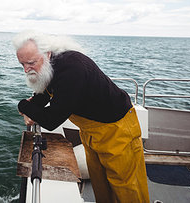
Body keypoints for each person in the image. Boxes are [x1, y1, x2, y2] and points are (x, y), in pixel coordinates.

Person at [13, 31, 149, 203]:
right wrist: (32, 106)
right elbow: (44, 95)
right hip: (91, 132)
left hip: (117, 129)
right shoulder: (50, 65)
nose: (26, 70)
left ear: (47, 53)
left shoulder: (71, 68)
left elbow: (51, 119)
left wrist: (23, 106)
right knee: (100, 182)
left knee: (126, 186)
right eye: (22, 64)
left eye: (31, 63)